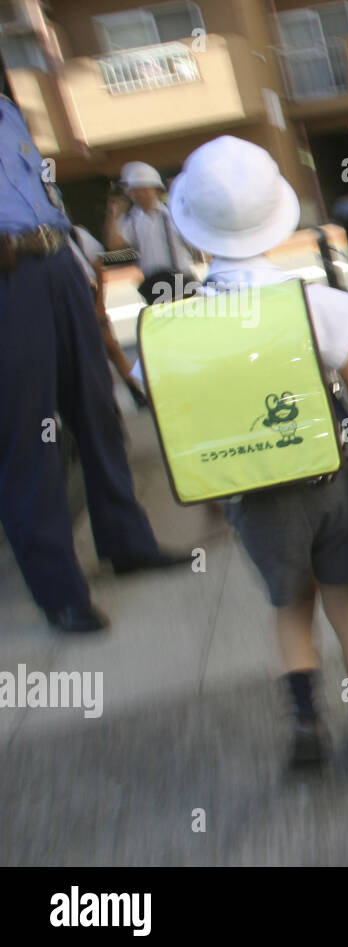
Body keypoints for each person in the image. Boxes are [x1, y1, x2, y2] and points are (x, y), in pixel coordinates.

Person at [157, 135, 348, 771]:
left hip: (254, 497)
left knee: (291, 606)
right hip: (331, 479)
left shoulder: (179, 326)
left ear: (199, 236)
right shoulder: (314, 303)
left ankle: (305, 721)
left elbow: (166, 405)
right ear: (274, 223)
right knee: (347, 600)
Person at [0, 95, 190, 633]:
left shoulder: (7, 112)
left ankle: (127, 544)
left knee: (97, 411)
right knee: (28, 438)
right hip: (6, 277)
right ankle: (59, 590)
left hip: (56, 261)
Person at [68, 225, 149, 410]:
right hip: (70, 295)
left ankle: (135, 390)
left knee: (110, 346)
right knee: (86, 355)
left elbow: (98, 269)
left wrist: (99, 306)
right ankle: (107, 401)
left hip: (87, 292)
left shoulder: (76, 234)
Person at [102, 161, 197, 305]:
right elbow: (114, 245)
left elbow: (194, 237)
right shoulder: (132, 221)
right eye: (135, 191)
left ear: (157, 191)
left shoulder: (173, 213)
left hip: (181, 279)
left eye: (144, 190)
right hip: (153, 285)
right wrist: (114, 215)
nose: (139, 195)